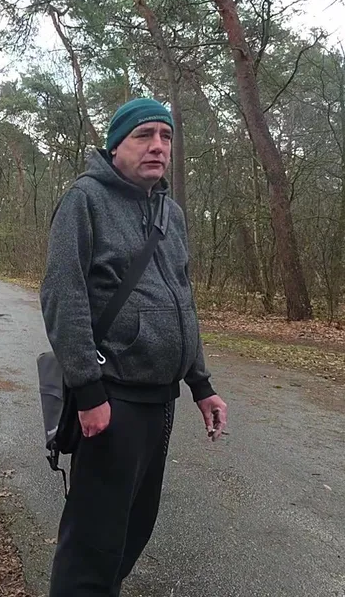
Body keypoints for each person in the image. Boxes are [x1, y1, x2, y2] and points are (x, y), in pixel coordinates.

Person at [40, 96, 229, 596]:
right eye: (144, 135)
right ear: (115, 146)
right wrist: (89, 391)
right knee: (94, 540)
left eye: (166, 137)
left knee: (134, 528)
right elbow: (63, 294)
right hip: (112, 397)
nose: (158, 146)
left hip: (160, 400)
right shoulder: (85, 199)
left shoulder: (171, 213)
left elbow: (182, 300)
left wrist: (201, 384)